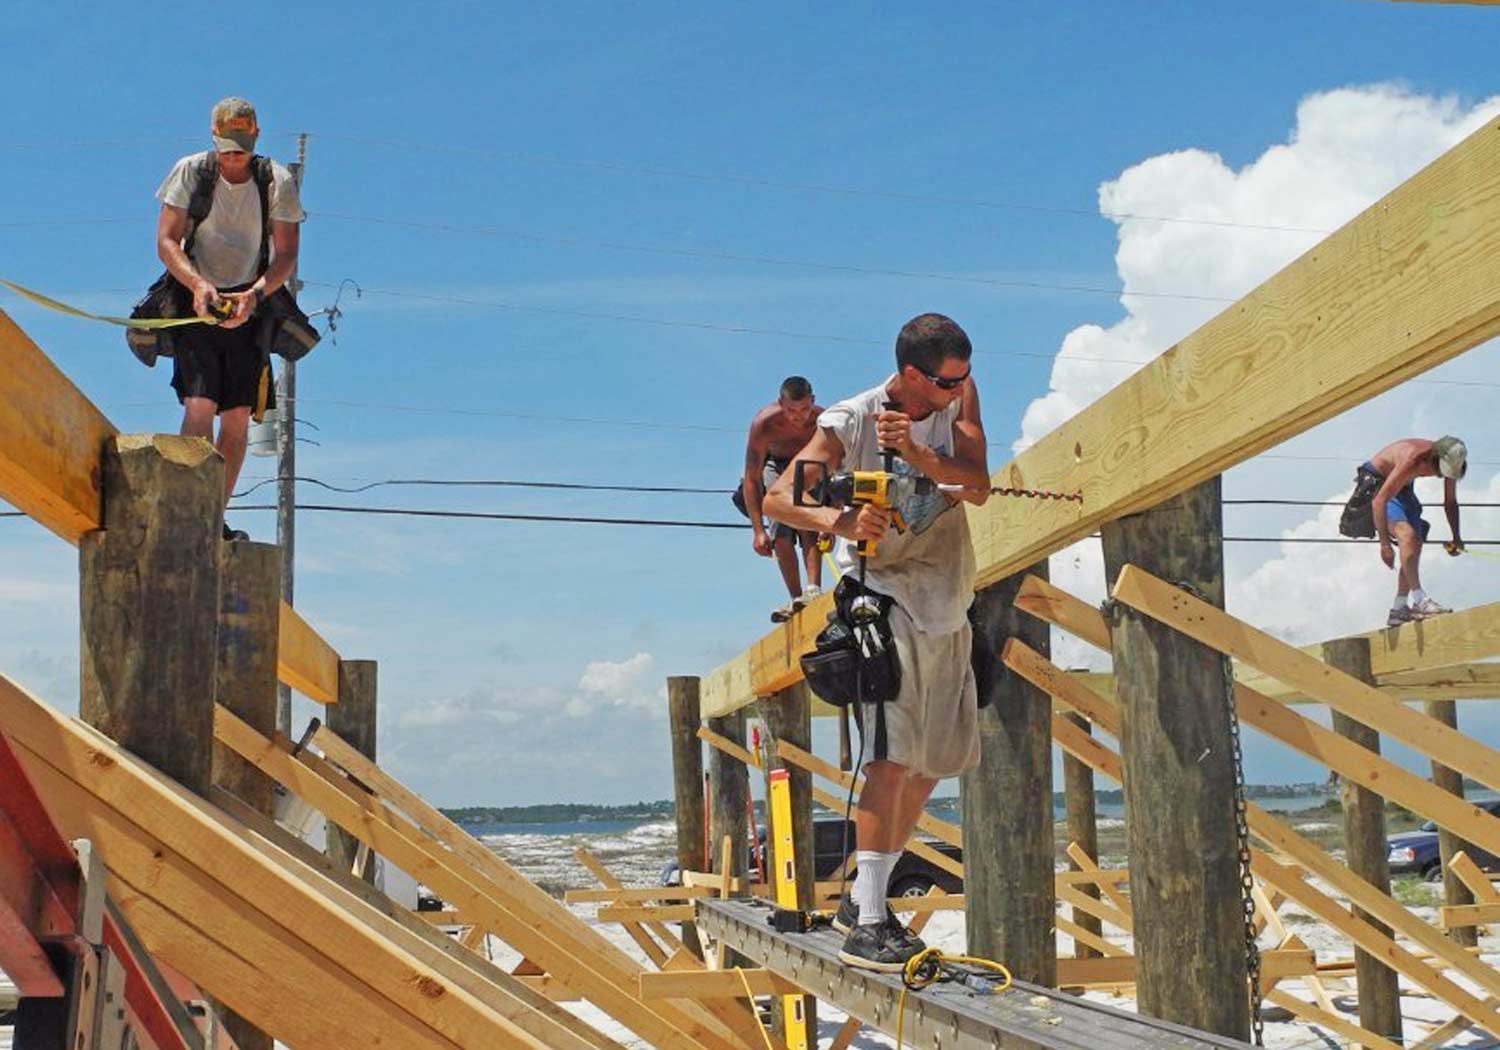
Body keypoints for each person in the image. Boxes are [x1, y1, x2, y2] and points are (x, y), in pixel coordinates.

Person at [763, 313, 990, 971]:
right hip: (885, 600)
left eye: (965, 376)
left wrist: (919, 454)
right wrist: (838, 517)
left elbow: (976, 487)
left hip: (949, 602)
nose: (961, 389)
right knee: (890, 760)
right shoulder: (853, 421)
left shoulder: (958, 407)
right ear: (913, 374)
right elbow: (782, 498)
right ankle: (866, 919)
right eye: (948, 380)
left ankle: (865, 897)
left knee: (929, 765)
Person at [155, 97, 305, 541]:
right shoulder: (190, 172)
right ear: (212, 137)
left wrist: (256, 294)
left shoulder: (275, 181)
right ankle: (193, 506)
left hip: (252, 301)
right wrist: (198, 286)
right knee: (199, 404)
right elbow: (167, 241)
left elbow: (288, 254)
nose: (233, 157)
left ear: (256, 135)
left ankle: (211, 518)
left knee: (237, 415)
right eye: (226, 148)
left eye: (240, 147)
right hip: (196, 298)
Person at [1340, 436, 1466, 627]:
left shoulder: (1453, 461)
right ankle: (1420, 600)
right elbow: (1379, 501)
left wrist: (1456, 536)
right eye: (1439, 470)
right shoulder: (1412, 459)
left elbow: (1450, 502)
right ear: (1433, 458)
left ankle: (1399, 608)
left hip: (1402, 487)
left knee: (1414, 543)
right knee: (1408, 536)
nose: (1440, 475)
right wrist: (1384, 545)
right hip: (1378, 484)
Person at [734, 376, 824, 622]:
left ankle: (813, 590)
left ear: (812, 401)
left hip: (809, 465)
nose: (799, 416)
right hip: (775, 465)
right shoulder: (764, 424)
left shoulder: (823, 421)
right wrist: (757, 530)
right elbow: (752, 478)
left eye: (805, 409)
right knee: (781, 531)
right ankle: (796, 599)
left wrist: (832, 515)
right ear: (781, 404)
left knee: (809, 524)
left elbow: (837, 466)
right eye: (792, 411)